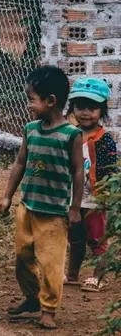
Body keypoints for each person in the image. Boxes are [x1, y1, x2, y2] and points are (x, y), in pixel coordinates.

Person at [0, 65, 84, 330]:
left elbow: (78, 172)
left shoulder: (71, 135)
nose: (28, 105)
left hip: (55, 213)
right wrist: (7, 196)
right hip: (28, 206)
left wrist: (75, 208)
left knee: (51, 263)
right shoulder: (30, 130)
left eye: (31, 99)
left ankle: (48, 308)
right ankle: (32, 298)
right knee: (22, 257)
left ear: (50, 101)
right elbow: (20, 164)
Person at [64, 78, 116, 293]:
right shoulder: (69, 134)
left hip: (95, 198)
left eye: (92, 107)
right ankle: (73, 274)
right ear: (72, 108)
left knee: (97, 239)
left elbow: (111, 170)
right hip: (73, 198)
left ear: (101, 110)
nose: (85, 112)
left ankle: (98, 277)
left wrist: (105, 198)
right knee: (74, 238)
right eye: (80, 106)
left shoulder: (104, 140)